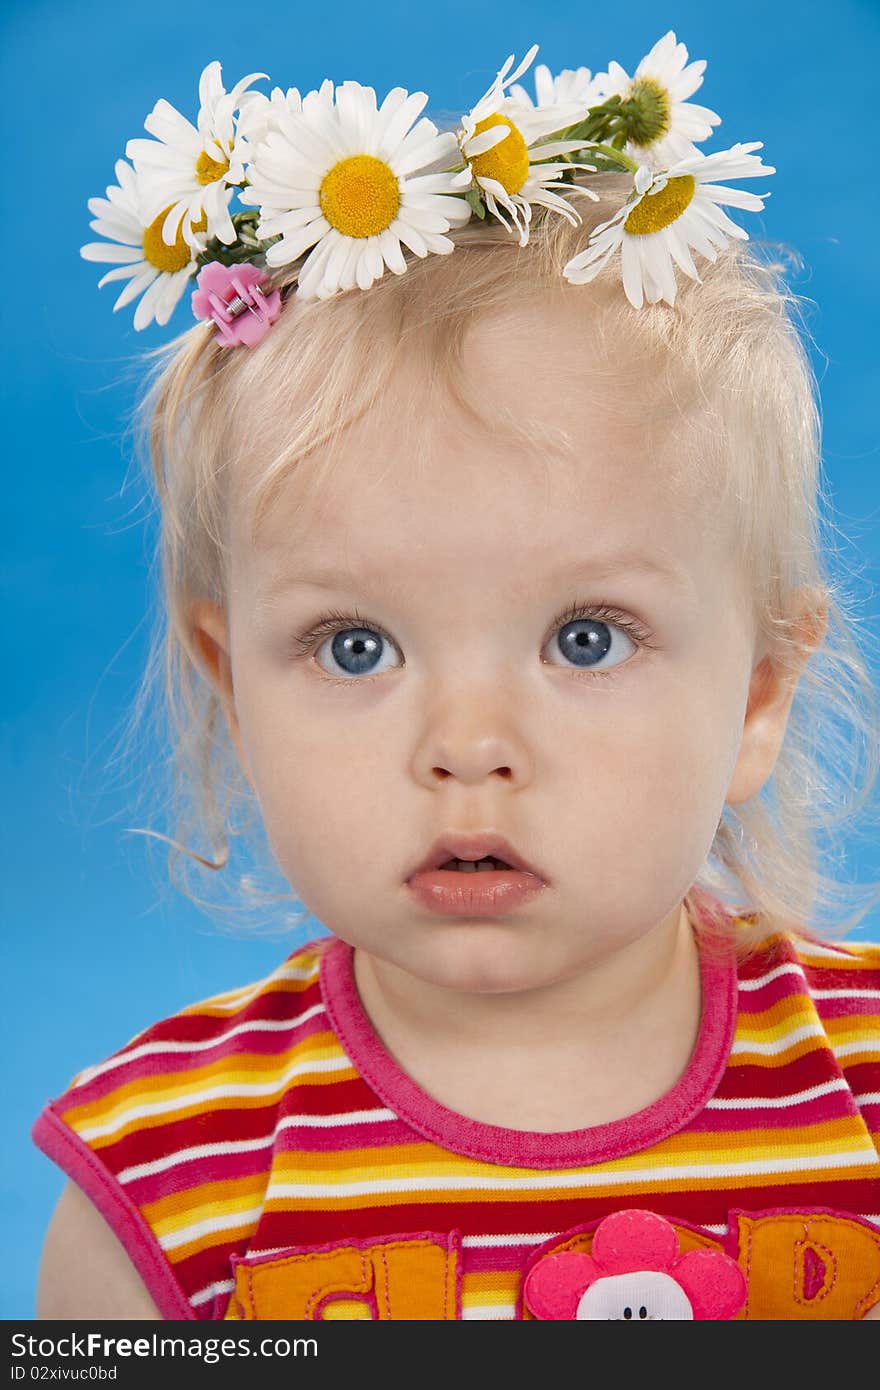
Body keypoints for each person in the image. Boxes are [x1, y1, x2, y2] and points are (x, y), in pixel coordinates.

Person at [33, 36, 880, 1322]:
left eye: (585, 637)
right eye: (354, 645)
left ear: (758, 692)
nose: (468, 743)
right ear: (229, 690)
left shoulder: (860, 1090)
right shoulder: (162, 1177)